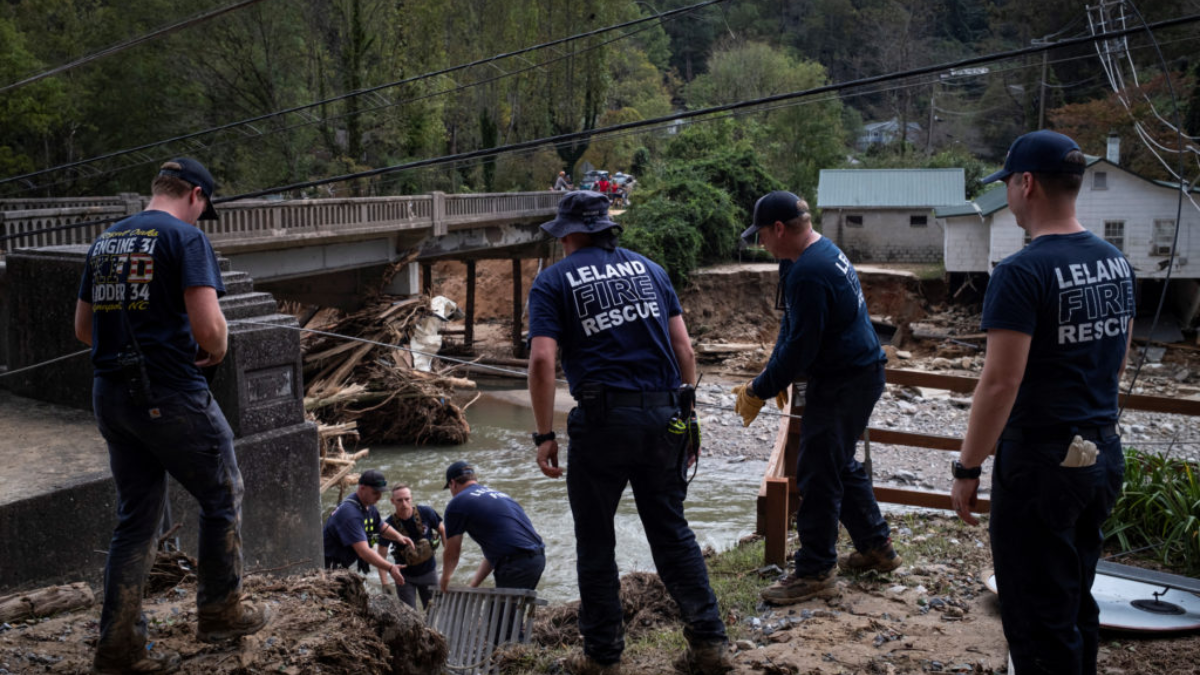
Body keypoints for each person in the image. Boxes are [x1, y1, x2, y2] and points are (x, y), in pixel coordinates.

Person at [74, 158, 271, 674]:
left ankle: (117, 645)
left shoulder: (106, 241)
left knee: (136, 520)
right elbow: (208, 328)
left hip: (110, 396)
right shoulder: (185, 239)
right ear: (197, 196)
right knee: (222, 490)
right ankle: (221, 609)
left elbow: (83, 329)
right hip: (168, 392)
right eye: (203, 208)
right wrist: (217, 347)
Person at [951, 130, 1134, 675]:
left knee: (1035, 615)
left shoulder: (1021, 271)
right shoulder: (1115, 262)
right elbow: (1117, 363)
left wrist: (967, 466)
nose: (1007, 193)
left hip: (1039, 466)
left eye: (1007, 181)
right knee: (1076, 598)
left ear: (1026, 183)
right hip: (1100, 455)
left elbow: (1000, 382)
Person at [527, 190, 730, 675]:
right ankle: (710, 644)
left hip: (603, 423)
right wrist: (687, 412)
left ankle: (602, 656)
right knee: (671, 531)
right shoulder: (651, 270)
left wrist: (543, 434)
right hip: (666, 416)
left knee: (596, 540)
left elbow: (541, 360)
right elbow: (684, 349)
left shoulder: (553, 282)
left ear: (570, 234)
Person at [734, 190, 898, 606]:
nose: (761, 245)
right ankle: (875, 547)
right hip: (853, 373)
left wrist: (760, 388)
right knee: (836, 462)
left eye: (762, 236)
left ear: (778, 228)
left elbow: (802, 346)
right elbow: (791, 329)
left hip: (847, 380)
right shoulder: (808, 257)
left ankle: (815, 571)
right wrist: (770, 379)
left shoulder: (810, 271)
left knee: (817, 472)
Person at [439, 461, 545, 592]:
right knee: (510, 610)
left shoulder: (457, 503)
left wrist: (444, 581)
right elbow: (494, 554)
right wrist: (473, 585)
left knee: (501, 612)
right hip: (536, 559)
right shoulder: (500, 495)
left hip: (515, 563)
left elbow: (452, 552)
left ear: (453, 483)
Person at [323, 470, 413, 583]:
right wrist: (390, 568)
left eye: (381, 492)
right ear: (362, 488)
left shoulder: (368, 505)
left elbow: (380, 526)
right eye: (375, 492)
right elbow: (364, 552)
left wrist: (399, 536)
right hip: (327, 567)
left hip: (342, 564)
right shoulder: (350, 514)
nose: (379, 497)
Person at [377, 483, 445, 610]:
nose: (404, 503)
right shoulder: (388, 525)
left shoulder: (426, 512)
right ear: (392, 501)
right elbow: (381, 555)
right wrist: (385, 583)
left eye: (407, 499)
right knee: (409, 616)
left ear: (411, 498)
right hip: (404, 578)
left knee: (435, 611)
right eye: (399, 500)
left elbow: (443, 530)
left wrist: (449, 555)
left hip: (429, 572)